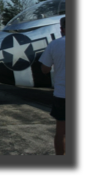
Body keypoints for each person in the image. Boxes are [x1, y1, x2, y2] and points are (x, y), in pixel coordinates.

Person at [39, 16, 66, 155]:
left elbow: (45, 69)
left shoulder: (54, 44)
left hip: (61, 95)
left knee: (60, 133)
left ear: (61, 29)